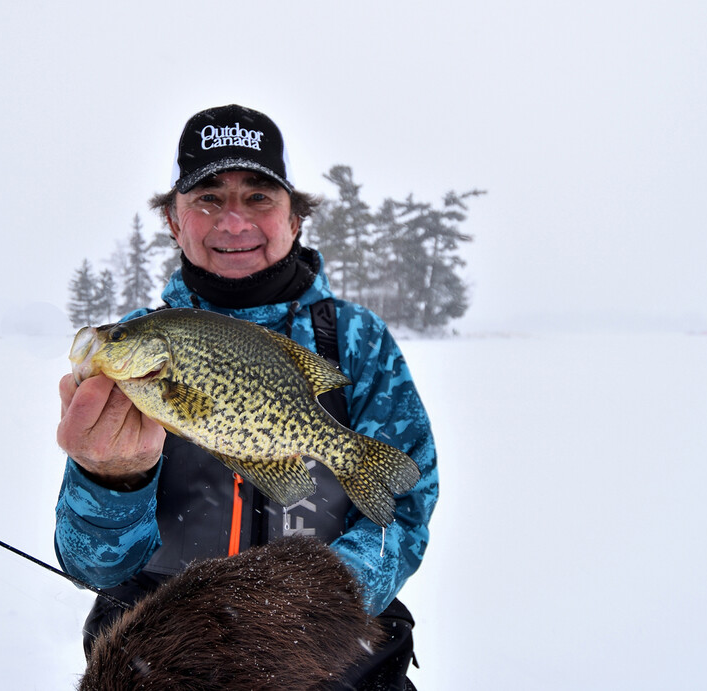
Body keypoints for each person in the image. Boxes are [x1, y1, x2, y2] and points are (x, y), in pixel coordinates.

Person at [54, 104, 438, 690]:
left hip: (330, 658)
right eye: (208, 197)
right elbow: (93, 565)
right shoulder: (137, 344)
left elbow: (403, 510)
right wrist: (112, 479)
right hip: (165, 663)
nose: (234, 223)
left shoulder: (355, 341)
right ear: (174, 221)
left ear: (295, 218)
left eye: (259, 196)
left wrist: (301, 610)